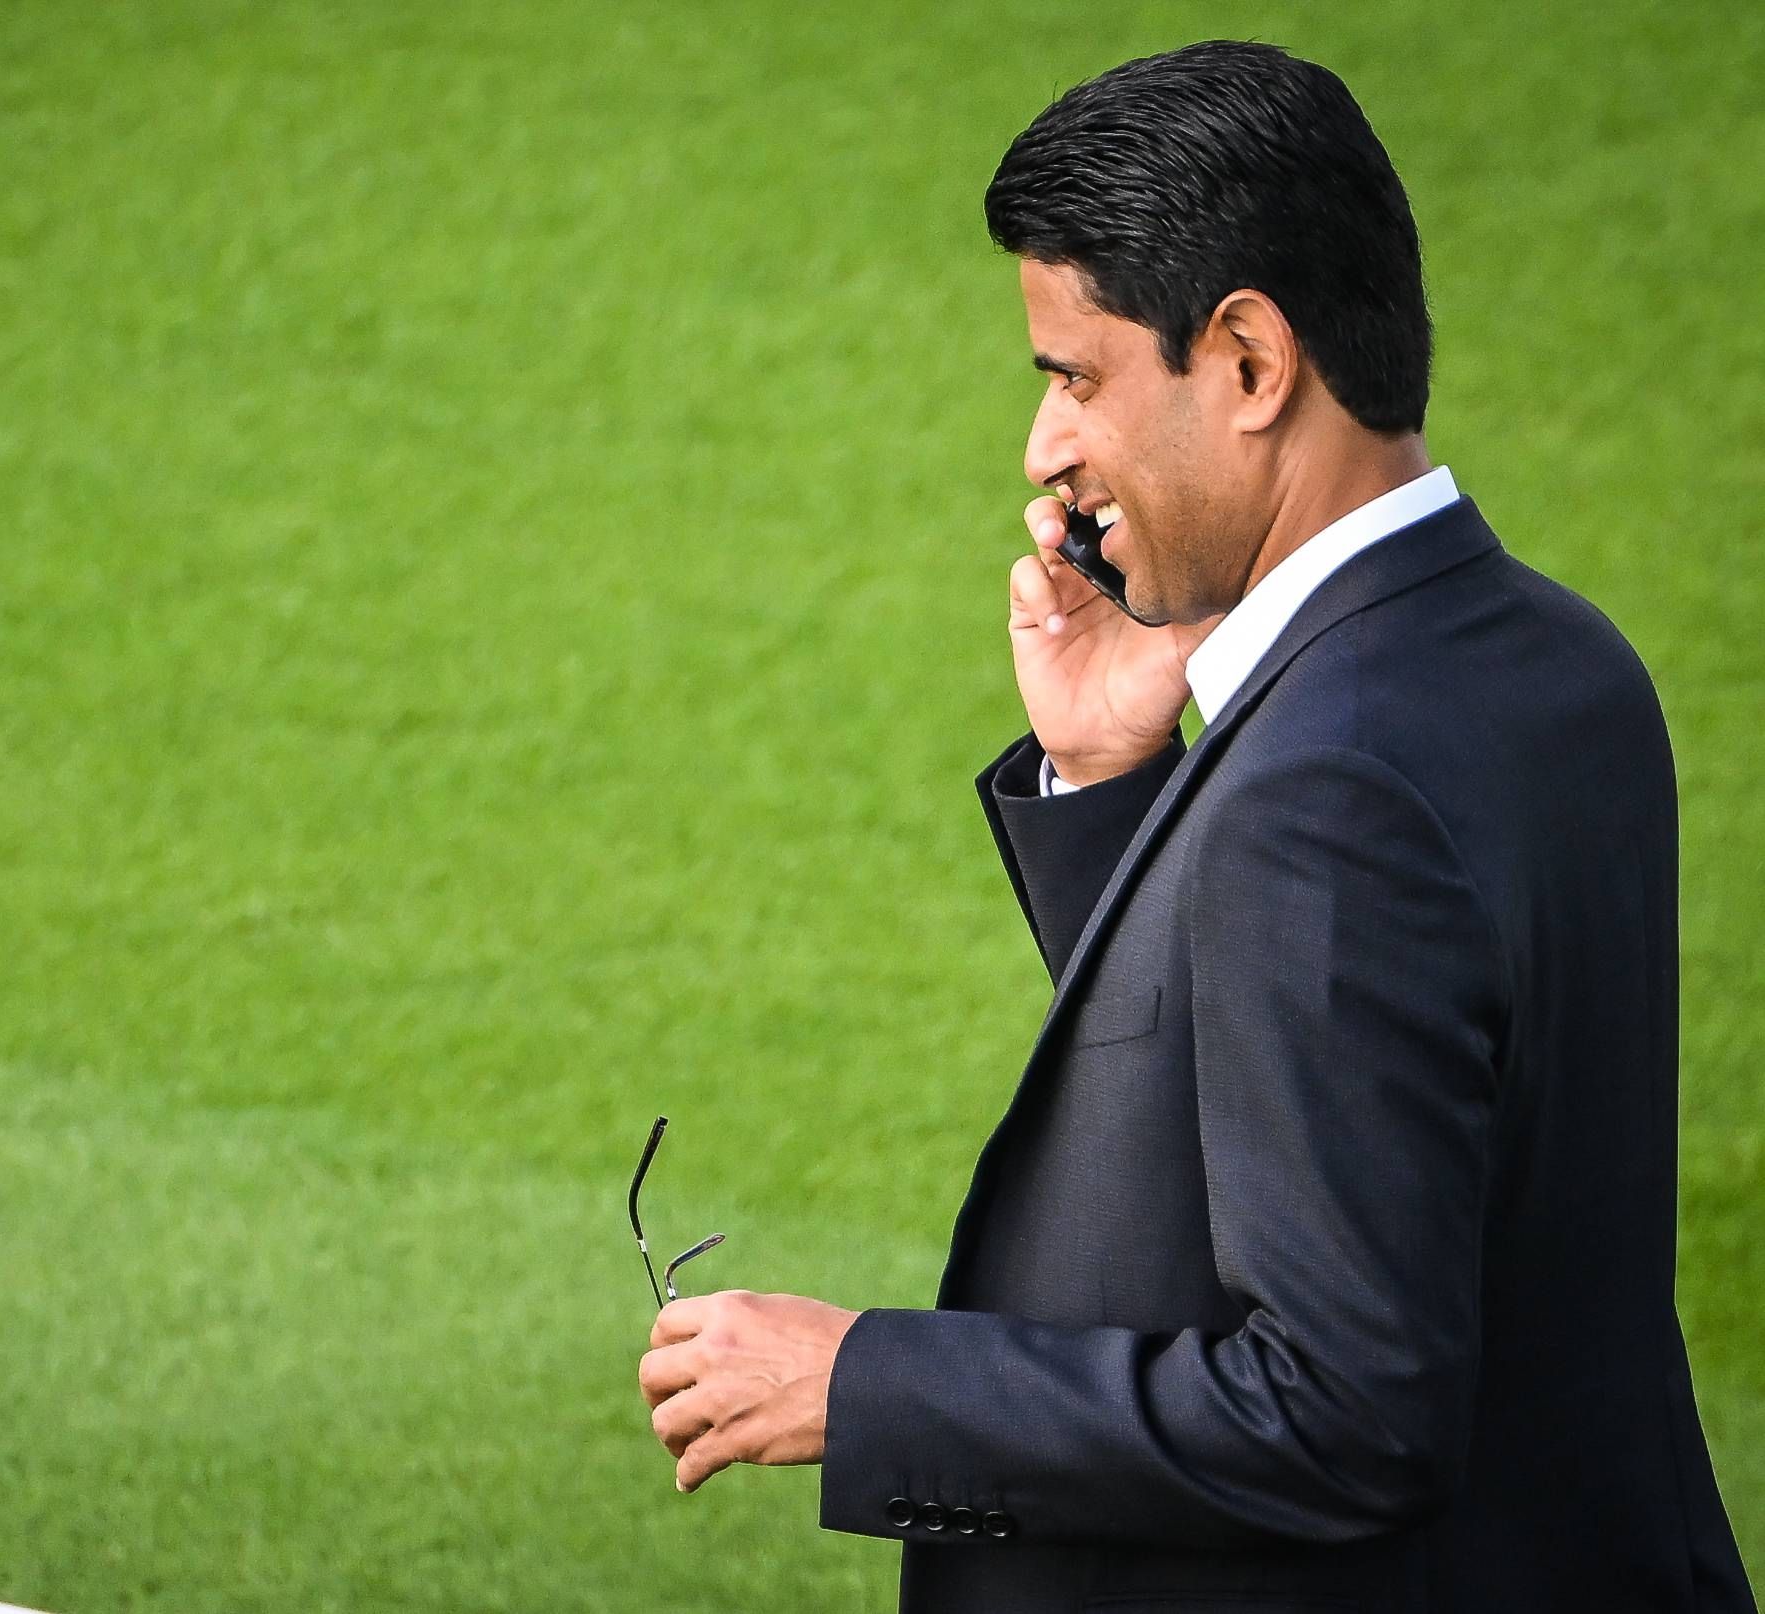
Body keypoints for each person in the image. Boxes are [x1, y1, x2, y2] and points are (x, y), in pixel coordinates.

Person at [633, 40, 1754, 1613]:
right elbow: (1339, 1086)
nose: (1044, 450)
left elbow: (1344, 1413)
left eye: (1075, 377)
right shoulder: (1564, 666)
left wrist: (870, 1384)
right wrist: (1112, 784)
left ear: (1246, 362)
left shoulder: (1325, 784)